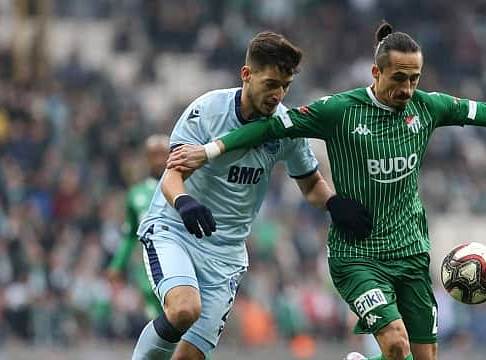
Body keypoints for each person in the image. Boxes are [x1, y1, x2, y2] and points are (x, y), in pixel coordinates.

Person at [167, 22, 486, 360]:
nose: (407, 88)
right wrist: (208, 151)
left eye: (415, 78)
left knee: (420, 357)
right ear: (375, 71)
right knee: (397, 344)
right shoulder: (338, 111)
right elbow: (267, 127)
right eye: (398, 78)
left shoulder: (429, 108)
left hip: (410, 253)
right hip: (357, 256)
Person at [131, 31, 372, 360]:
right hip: (176, 231)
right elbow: (172, 177)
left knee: (190, 356)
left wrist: (332, 203)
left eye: (285, 86)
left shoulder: (286, 127)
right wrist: (185, 202)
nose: (278, 94)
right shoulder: (207, 111)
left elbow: (310, 183)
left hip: (226, 254)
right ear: (247, 74)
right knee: (184, 309)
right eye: (271, 83)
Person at [107, 134, 169, 320]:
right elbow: (129, 234)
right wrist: (117, 265)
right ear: (147, 159)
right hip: (148, 271)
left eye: (163, 155)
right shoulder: (136, 194)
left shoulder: (186, 188)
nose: (159, 161)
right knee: (158, 324)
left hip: (179, 265)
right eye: (154, 155)